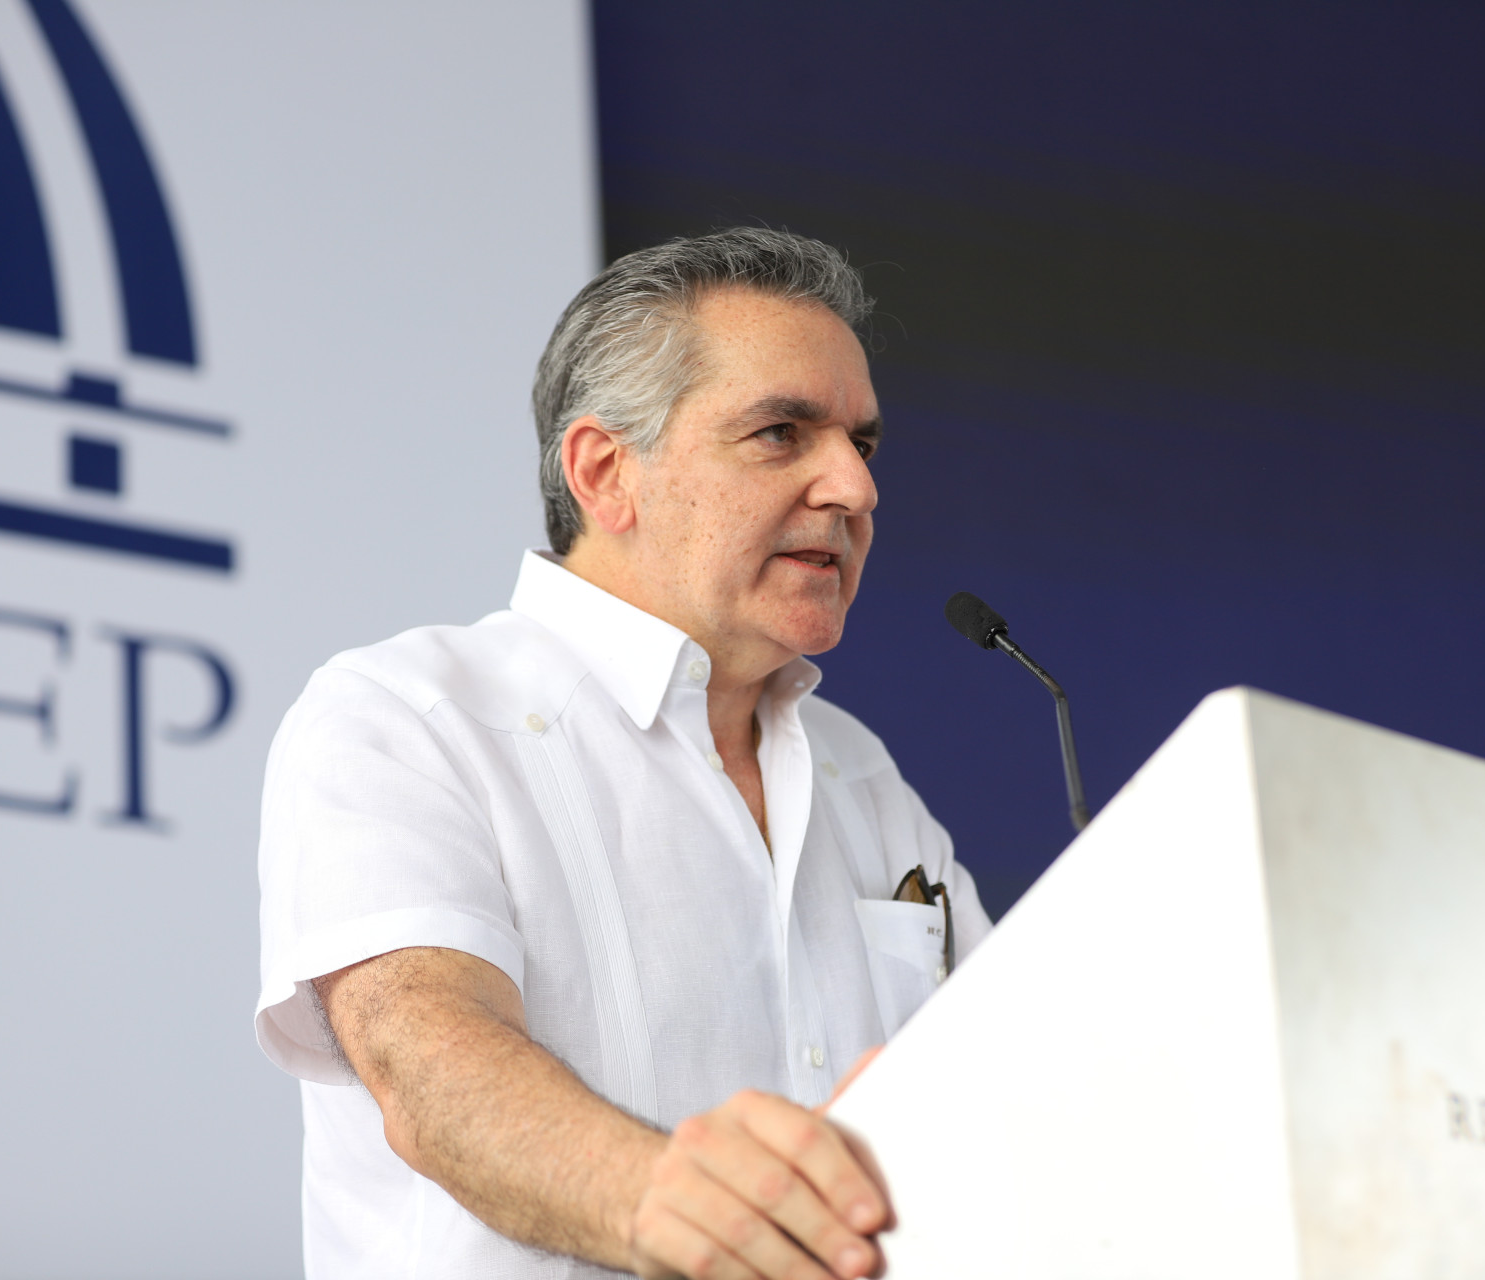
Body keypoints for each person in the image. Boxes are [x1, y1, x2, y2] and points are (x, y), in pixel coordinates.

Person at [255, 228, 991, 1279]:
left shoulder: (865, 778)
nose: (853, 489)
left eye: (861, 445)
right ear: (606, 473)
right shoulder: (408, 719)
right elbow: (430, 1072)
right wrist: (676, 1203)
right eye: (781, 433)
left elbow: (1010, 1088)